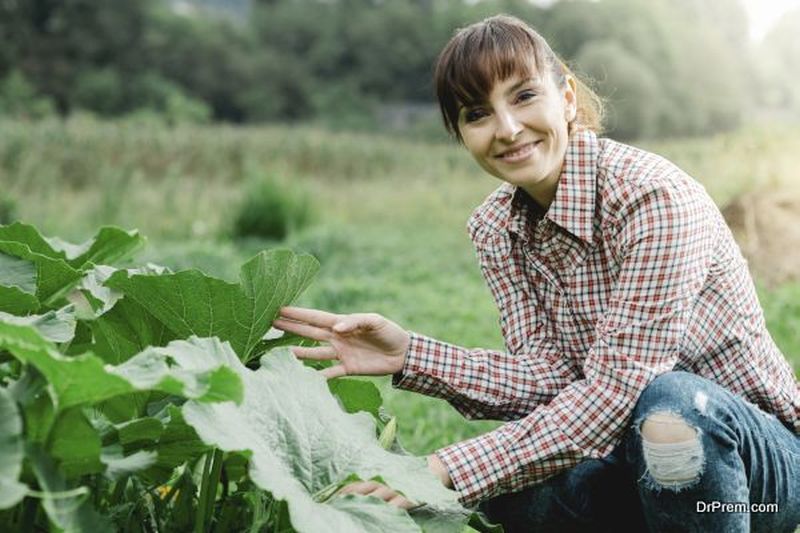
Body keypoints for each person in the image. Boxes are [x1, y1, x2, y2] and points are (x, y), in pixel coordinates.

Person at [272, 14, 800, 532]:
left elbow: (617, 391)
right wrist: (410, 355)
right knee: (513, 487)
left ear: (566, 98)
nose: (507, 129)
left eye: (524, 96)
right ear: (460, 133)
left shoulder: (652, 198)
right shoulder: (494, 228)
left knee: (672, 407)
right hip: (632, 462)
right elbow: (547, 382)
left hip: (761, 474)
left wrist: (441, 471)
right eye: (477, 114)